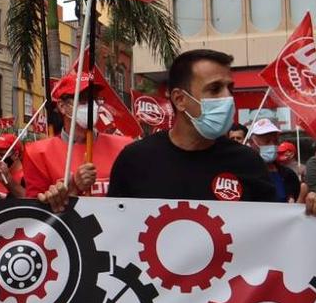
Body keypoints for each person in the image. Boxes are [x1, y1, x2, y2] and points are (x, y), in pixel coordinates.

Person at [107, 50, 275, 202]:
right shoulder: (136, 160)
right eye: (215, 89)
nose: (228, 97)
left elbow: (270, 222)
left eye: (230, 89)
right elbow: (115, 220)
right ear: (180, 99)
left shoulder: (248, 162)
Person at [23, 71, 133, 199]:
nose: (92, 105)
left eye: (95, 99)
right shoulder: (38, 153)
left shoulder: (124, 147)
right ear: (62, 106)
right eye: (83, 100)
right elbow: (35, 207)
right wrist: (74, 187)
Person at [250, 118, 300, 202]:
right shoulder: (246, 173)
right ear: (252, 143)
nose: (272, 145)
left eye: (275, 141)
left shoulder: (289, 175)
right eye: (266, 141)